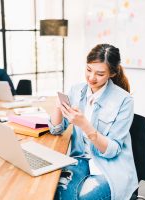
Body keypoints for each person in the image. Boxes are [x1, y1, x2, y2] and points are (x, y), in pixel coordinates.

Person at [49, 44, 138, 200]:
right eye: (89, 70)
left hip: (110, 166)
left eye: (100, 74)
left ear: (112, 73)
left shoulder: (124, 100)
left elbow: (113, 150)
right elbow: (56, 130)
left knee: (83, 197)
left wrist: (85, 125)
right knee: (57, 191)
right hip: (81, 159)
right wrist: (57, 106)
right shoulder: (76, 90)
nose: (91, 78)